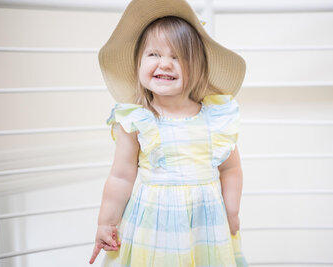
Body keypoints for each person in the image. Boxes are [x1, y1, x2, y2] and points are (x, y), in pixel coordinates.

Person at [89, 0, 247, 266]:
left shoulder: (215, 119)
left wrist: (231, 210)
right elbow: (121, 176)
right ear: (138, 62)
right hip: (153, 225)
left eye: (177, 56)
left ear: (197, 68)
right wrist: (106, 222)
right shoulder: (138, 120)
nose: (165, 64)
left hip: (205, 225)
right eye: (154, 54)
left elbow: (231, 169)